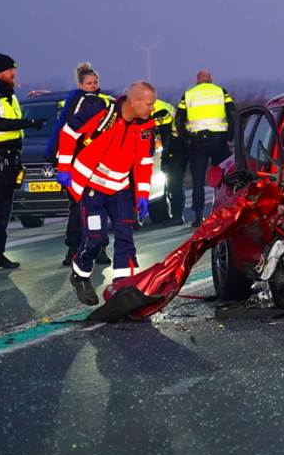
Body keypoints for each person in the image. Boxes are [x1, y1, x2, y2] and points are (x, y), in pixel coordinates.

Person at [56, 82, 157, 305]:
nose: (152, 109)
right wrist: (64, 167)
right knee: (96, 237)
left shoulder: (146, 127)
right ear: (133, 102)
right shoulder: (101, 112)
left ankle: (125, 288)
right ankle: (80, 274)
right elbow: (69, 132)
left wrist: (142, 194)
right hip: (91, 185)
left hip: (120, 189)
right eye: (149, 104)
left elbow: (144, 162)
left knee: (125, 237)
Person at [0, 54, 47, 271]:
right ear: (1, 71)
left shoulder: (8, 96)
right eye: (11, 70)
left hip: (11, 158)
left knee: (4, 211)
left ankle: (0, 253)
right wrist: (28, 123)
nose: (15, 74)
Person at [48, 62, 112, 267]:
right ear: (80, 84)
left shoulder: (97, 102)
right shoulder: (81, 103)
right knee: (79, 207)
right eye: (89, 83)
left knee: (96, 206)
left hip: (93, 162)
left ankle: (98, 248)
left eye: (95, 83)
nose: (93, 86)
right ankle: (75, 248)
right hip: (76, 162)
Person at [175, 71, 236, 227]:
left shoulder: (189, 94)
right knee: (225, 177)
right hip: (219, 141)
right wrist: (230, 137)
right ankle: (225, 212)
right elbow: (233, 115)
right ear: (211, 80)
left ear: (197, 80)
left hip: (197, 143)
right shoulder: (221, 92)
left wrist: (186, 139)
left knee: (198, 180)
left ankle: (198, 216)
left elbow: (179, 119)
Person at [153, 98, 188, 223]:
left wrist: (165, 161)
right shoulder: (159, 104)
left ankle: (178, 215)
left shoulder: (159, 109)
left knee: (174, 181)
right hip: (178, 144)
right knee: (175, 181)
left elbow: (166, 137)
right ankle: (177, 214)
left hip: (175, 145)